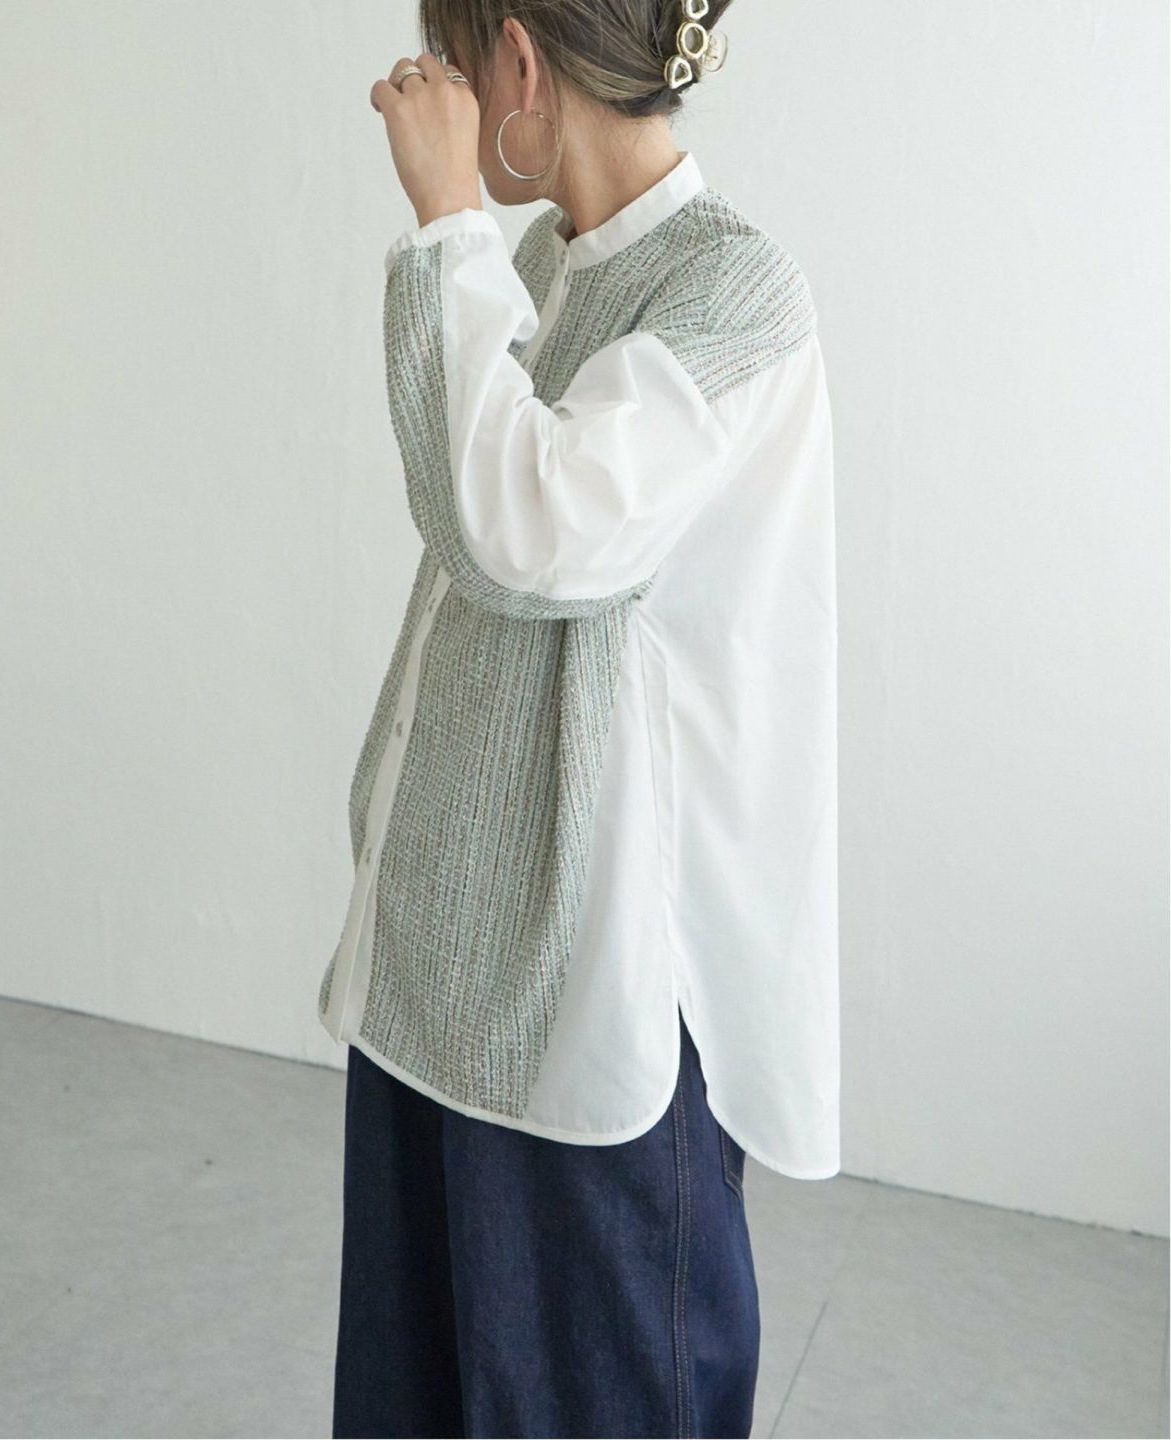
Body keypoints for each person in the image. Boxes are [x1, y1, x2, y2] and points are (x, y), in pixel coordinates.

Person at [320, 2, 840, 1435]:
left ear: (518, 58)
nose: (443, 83)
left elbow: (530, 535)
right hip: (446, 972)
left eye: (456, 52)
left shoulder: (735, 293)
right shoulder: (551, 262)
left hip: (592, 996)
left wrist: (444, 220)